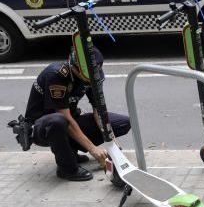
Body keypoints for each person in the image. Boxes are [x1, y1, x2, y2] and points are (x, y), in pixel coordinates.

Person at [24, 47, 130, 181]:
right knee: (59, 121)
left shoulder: (93, 74)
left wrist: (114, 147)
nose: (91, 79)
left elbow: (99, 112)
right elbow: (64, 116)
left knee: (123, 123)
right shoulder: (57, 75)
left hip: (69, 120)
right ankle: (67, 169)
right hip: (43, 127)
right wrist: (92, 149)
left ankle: (70, 151)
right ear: (74, 68)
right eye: (88, 75)